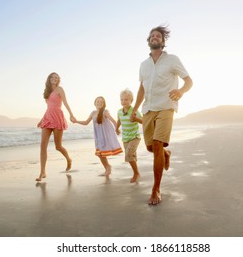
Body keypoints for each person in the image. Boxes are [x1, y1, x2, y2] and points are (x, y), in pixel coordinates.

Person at [130, 25, 193, 205]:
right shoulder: (143, 65)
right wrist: (135, 108)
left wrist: (181, 91)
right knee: (151, 148)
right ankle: (166, 153)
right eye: (152, 36)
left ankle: (156, 189)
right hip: (148, 108)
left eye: (158, 36)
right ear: (149, 41)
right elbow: (141, 88)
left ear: (163, 42)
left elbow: (189, 81)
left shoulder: (172, 59)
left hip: (166, 106)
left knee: (157, 145)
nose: (155, 37)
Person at [36, 72, 76, 182]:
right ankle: (42, 172)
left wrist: (71, 115)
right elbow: (49, 107)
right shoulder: (47, 92)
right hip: (48, 118)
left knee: (58, 146)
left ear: (58, 80)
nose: (54, 79)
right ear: (49, 79)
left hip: (57, 118)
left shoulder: (60, 89)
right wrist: (41, 120)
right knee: (43, 145)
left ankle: (69, 159)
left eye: (56, 78)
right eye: (52, 77)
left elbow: (66, 103)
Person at [74, 96, 122, 176]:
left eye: (101, 101)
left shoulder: (105, 112)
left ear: (103, 104)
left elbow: (113, 121)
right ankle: (107, 167)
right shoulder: (93, 113)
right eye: (98, 101)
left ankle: (107, 168)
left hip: (105, 136)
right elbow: (86, 122)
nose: (99, 102)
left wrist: (117, 129)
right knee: (99, 154)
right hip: (98, 136)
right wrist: (76, 121)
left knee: (101, 153)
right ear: (95, 103)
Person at [116, 89, 143, 183]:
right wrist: (116, 128)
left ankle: (136, 173)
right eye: (122, 99)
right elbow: (119, 120)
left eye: (126, 99)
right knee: (132, 156)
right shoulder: (119, 111)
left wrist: (135, 118)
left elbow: (143, 121)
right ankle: (136, 172)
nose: (124, 101)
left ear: (131, 100)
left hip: (135, 137)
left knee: (128, 154)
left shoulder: (134, 111)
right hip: (125, 138)